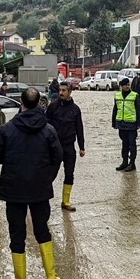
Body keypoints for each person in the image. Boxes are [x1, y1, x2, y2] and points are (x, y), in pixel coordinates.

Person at [0, 87, 63, 279]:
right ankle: (51, 277)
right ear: (39, 103)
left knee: (17, 236)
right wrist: (47, 178)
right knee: (42, 231)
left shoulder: (7, 129)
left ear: (21, 103)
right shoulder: (49, 129)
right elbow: (57, 156)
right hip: (39, 190)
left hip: (14, 191)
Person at [45, 81, 85, 211]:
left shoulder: (75, 109)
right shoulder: (52, 107)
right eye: (60, 90)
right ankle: (40, 197)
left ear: (70, 92)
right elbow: (45, 125)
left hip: (69, 147)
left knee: (69, 174)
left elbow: (79, 128)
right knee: (51, 173)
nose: (61, 93)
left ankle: (66, 201)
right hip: (55, 146)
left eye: (64, 90)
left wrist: (82, 147)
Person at [112, 78, 140, 172]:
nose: (127, 86)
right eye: (125, 85)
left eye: (128, 84)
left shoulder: (134, 95)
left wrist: (139, 122)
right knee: (124, 144)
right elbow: (115, 109)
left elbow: (138, 110)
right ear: (121, 86)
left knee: (132, 145)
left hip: (132, 124)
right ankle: (124, 162)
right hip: (121, 124)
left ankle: (132, 163)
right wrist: (114, 122)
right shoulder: (117, 96)